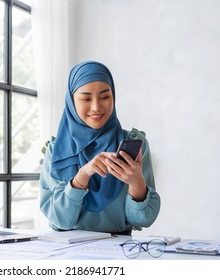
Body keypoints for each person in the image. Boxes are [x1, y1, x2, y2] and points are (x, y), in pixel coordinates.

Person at [39, 61, 161, 234]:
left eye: (105, 97)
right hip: (65, 250)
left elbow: (142, 220)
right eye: (86, 99)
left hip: (117, 250)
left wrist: (136, 182)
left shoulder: (134, 144)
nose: (96, 107)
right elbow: (60, 220)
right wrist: (82, 175)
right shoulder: (56, 150)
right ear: (72, 102)